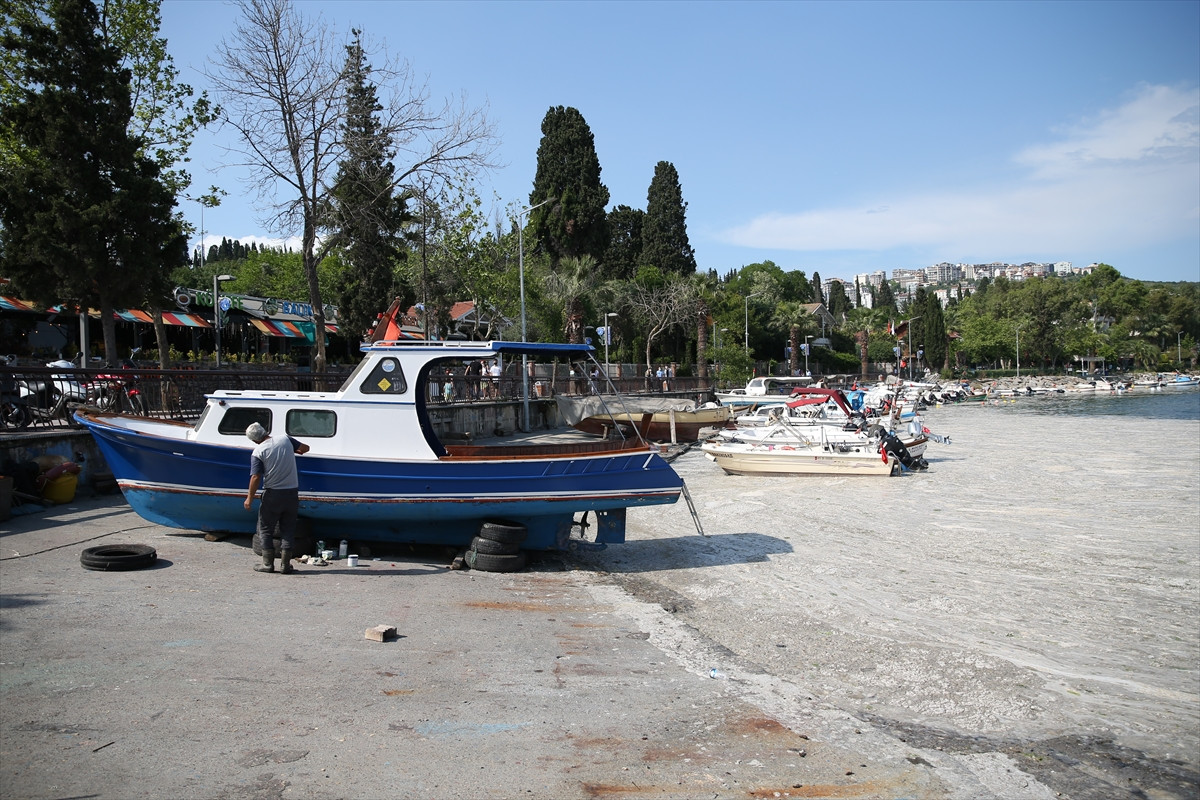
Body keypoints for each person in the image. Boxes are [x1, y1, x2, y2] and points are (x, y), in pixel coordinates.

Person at [244, 422, 309, 574]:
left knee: (266, 529)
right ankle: (285, 565)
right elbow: (305, 448)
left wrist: (249, 498)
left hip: (272, 494)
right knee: (288, 529)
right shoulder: (285, 440)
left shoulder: (258, 452)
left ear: (254, 440)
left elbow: (255, 477)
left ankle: (268, 565)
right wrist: (296, 450)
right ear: (265, 431)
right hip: (292, 494)